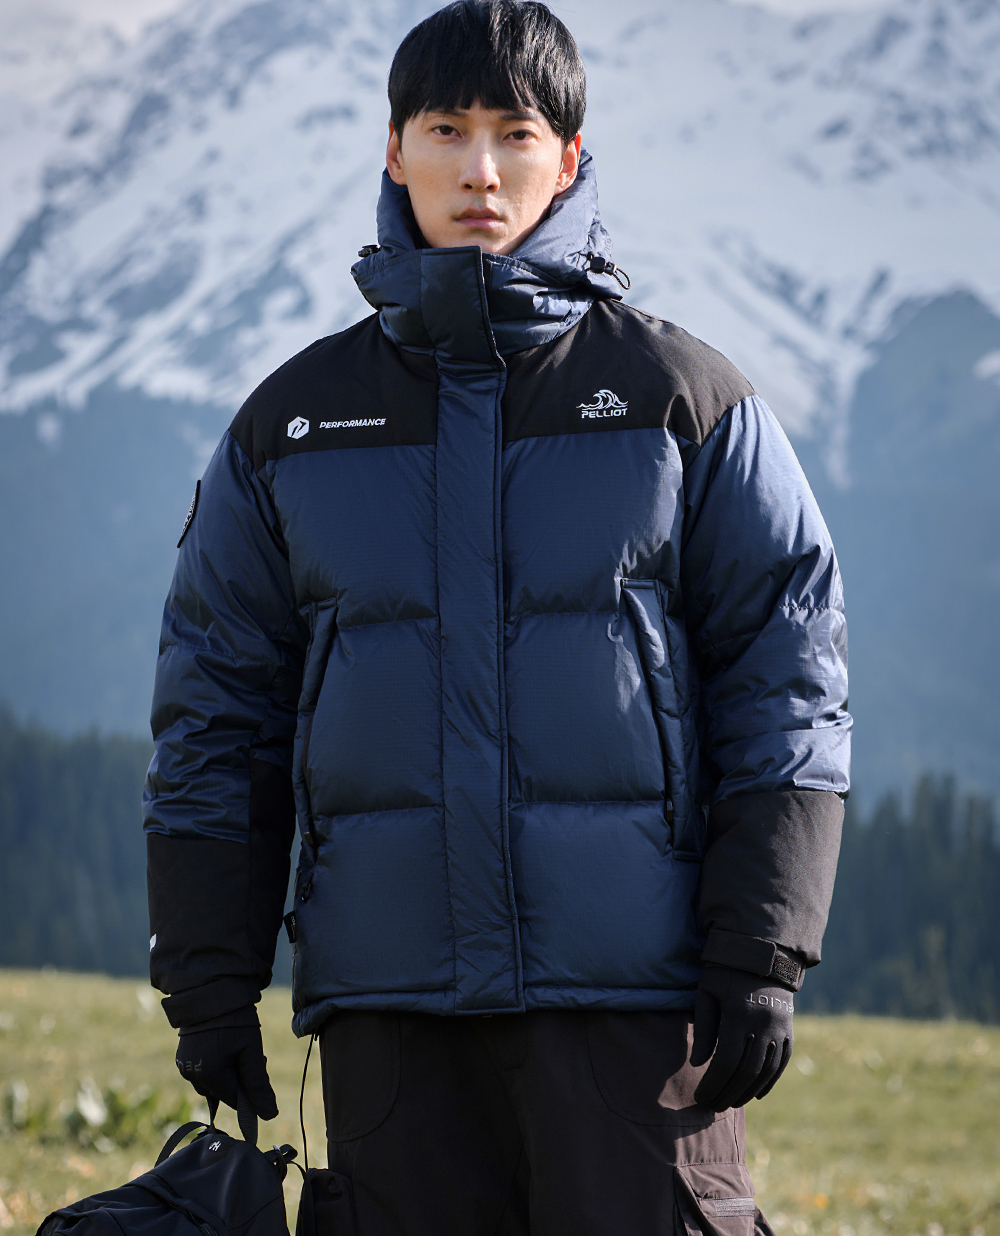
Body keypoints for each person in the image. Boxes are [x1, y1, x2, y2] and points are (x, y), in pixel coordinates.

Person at [143, 1, 851, 1231]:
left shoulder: (685, 403)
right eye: (445, 130)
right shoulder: (288, 427)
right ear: (393, 149)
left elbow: (786, 676)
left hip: (635, 1011)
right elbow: (215, 713)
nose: (480, 169)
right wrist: (209, 978)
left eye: (515, 134)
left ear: (567, 158)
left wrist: (763, 945)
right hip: (390, 1017)